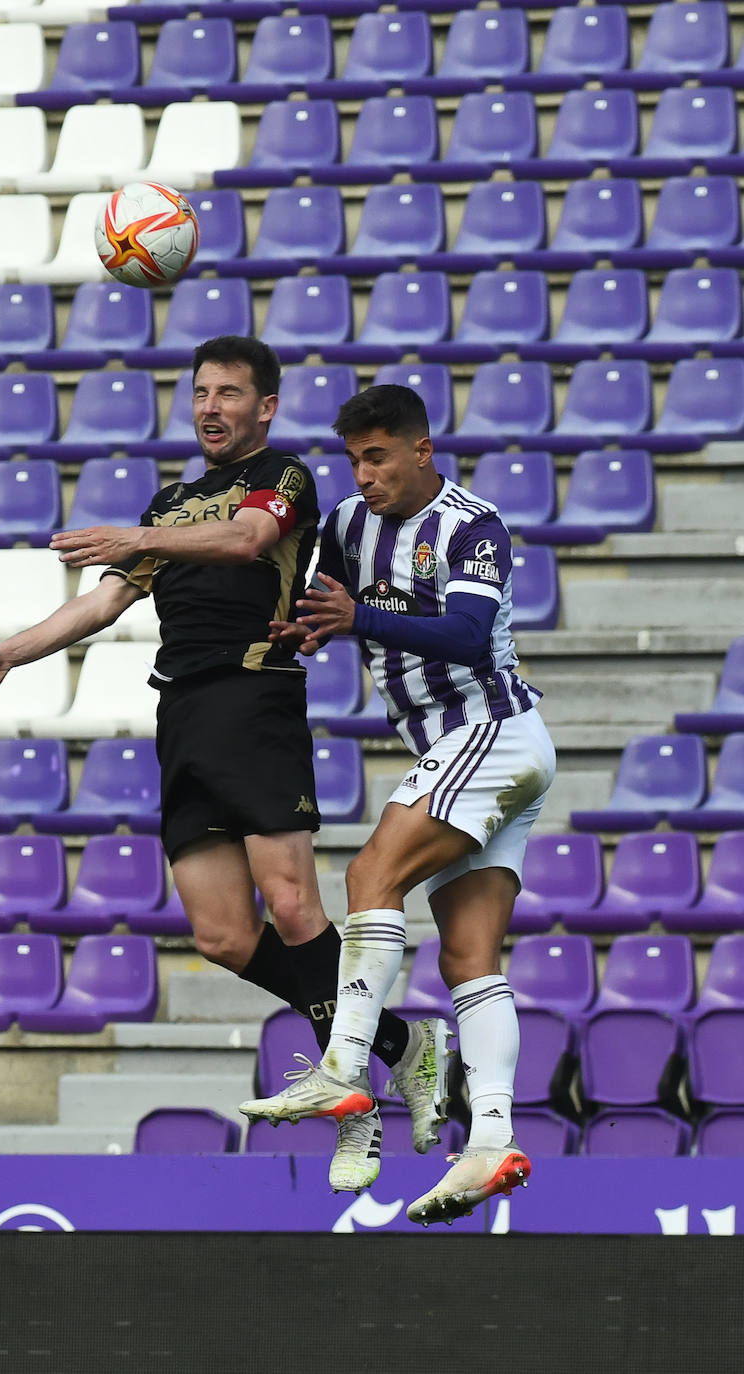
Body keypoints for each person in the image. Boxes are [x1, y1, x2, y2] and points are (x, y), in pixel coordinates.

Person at [0, 337, 450, 1191]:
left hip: (257, 701)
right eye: (201, 392)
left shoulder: (283, 479)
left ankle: (353, 1099)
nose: (210, 407)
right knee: (224, 936)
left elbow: (247, 542)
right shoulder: (171, 500)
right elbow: (103, 599)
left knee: (292, 905)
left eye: (229, 394)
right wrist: (9, 655)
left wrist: (138, 533)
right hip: (186, 714)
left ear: (265, 407)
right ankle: (403, 1045)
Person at [239, 383, 556, 1226]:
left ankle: (345, 1064)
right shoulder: (346, 524)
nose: (363, 475)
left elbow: (461, 634)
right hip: (459, 752)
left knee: (372, 872)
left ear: (421, 450)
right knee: (468, 958)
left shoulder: (471, 523)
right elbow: (323, 607)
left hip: (490, 731)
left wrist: (358, 618)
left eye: (377, 457)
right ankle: (490, 1141)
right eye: (353, 459)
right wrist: (303, 628)